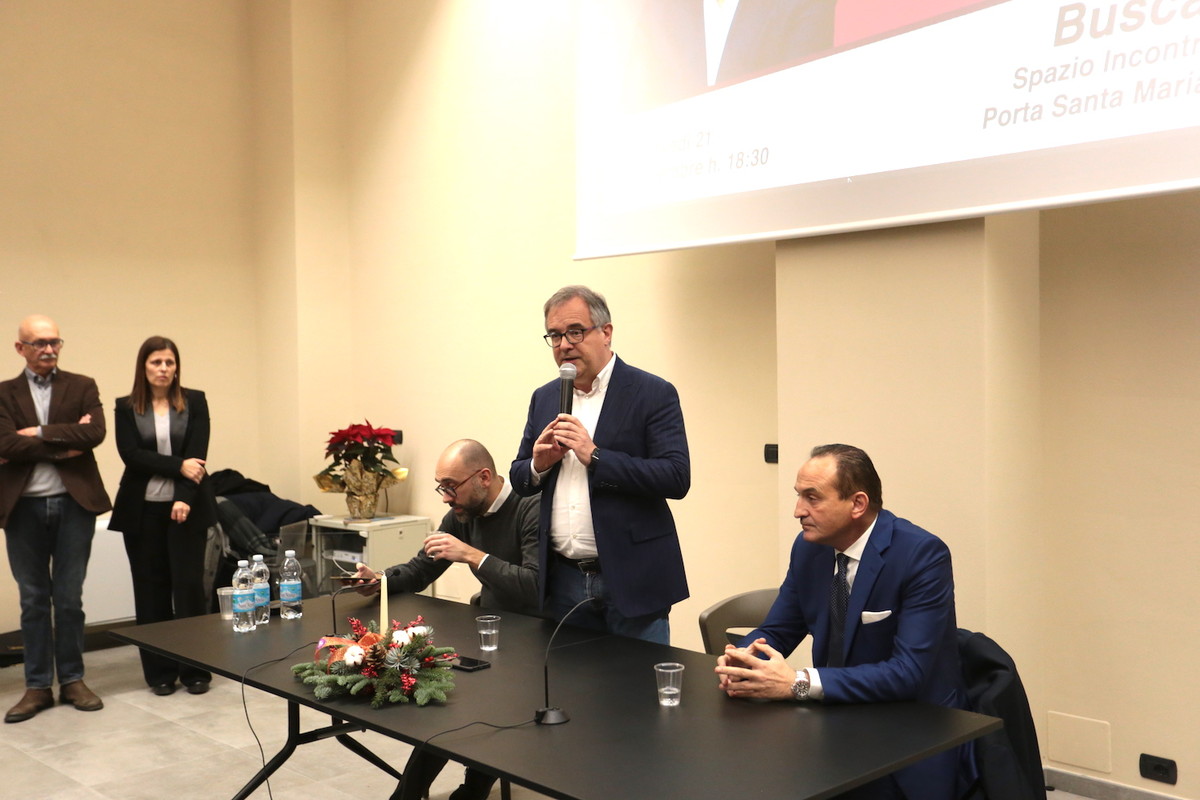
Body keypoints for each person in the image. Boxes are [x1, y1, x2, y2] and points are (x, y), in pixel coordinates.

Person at [714, 444, 971, 800]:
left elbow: (908, 673)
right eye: (798, 496)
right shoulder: (809, 548)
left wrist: (798, 683)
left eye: (812, 498)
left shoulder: (921, 555)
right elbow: (778, 630)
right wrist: (745, 659)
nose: (798, 511)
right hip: (834, 726)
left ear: (858, 504)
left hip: (911, 735)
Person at [352, 439, 539, 800]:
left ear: (484, 477)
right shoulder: (462, 513)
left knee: (486, 699)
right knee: (447, 706)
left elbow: (533, 586)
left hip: (535, 637)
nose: (445, 498)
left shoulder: (531, 507)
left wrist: (472, 554)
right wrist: (380, 579)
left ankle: (471, 790)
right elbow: (422, 568)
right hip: (488, 631)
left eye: (451, 487)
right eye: (442, 487)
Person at [510, 285, 689, 645]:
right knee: (572, 679)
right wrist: (538, 465)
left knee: (637, 679)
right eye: (555, 335)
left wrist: (596, 456)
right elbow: (519, 477)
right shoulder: (544, 397)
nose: (564, 344)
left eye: (575, 331)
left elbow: (675, 476)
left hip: (632, 576)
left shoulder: (652, 392)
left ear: (606, 332)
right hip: (564, 577)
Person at [0, 315, 111, 723]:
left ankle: (73, 680)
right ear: (20, 348)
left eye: (55, 342)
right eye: (39, 343)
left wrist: (34, 433)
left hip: (73, 504)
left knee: (68, 599)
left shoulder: (82, 386)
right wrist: (64, 441)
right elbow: (4, 443)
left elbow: (94, 434)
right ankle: (37, 687)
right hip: (22, 508)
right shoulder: (3, 393)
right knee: (32, 600)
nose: (49, 349)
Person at [108, 336, 216, 696]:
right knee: (150, 593)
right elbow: (131, 455)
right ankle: (160, 673)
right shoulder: (126, 407)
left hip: (187, 508)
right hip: (141, 511)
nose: (164, 369)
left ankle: (196, 671)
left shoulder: (195, 401)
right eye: (156, 362)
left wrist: (183, 496)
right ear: (144, 367)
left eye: (170, 362)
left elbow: (197, 455)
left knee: (188, 591)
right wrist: (177, 466)